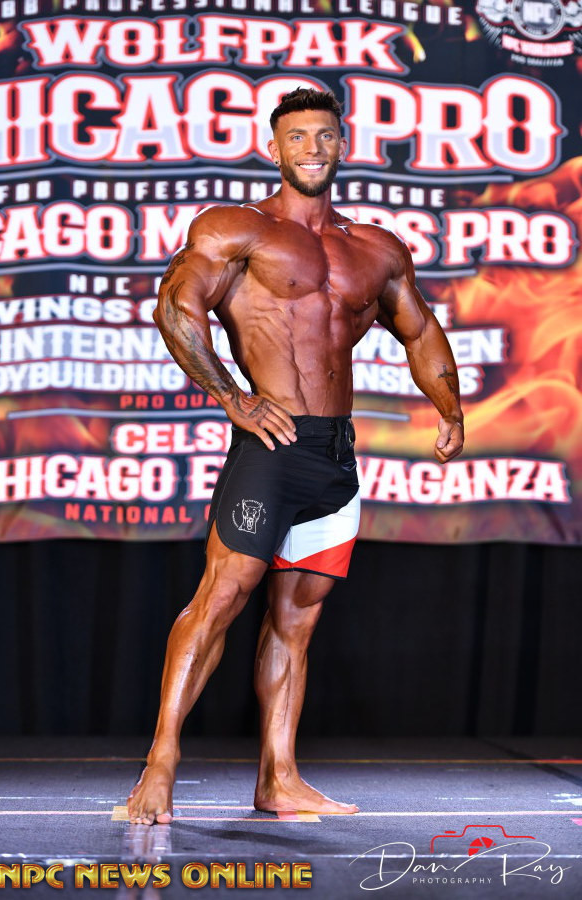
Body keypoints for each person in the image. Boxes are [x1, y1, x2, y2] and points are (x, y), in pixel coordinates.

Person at [127, 88, 464, 825]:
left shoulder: (376, 249)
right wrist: (231, 396)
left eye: (325, 135)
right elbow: (175, 306)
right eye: (298, 136)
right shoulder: (237, 229)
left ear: (343, 145)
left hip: (334, 459)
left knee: (297, 620)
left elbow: (420, 330)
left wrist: (450, 409)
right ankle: (160, 765)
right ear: (273, 148)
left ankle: (278, 778)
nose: (312, 148)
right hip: (270, 449)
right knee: (220, 599)